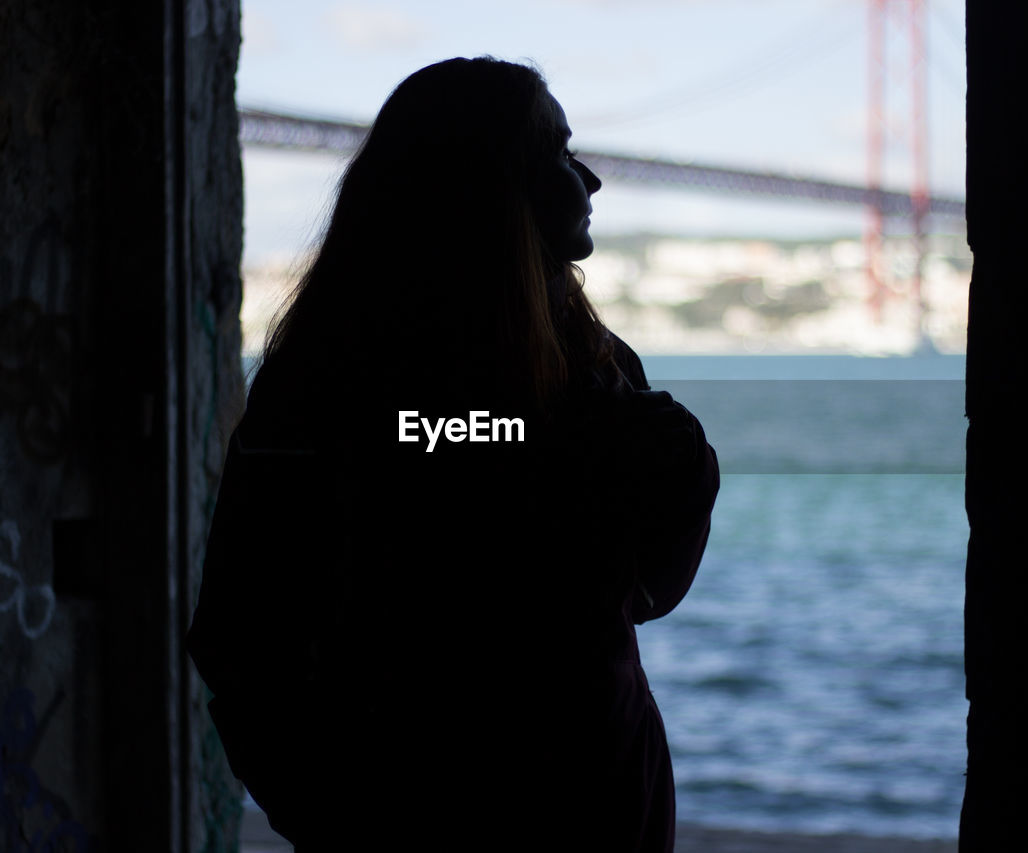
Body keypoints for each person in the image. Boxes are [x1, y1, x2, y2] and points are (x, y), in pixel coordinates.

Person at [186, 56, 719, 852]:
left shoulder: (320, 380)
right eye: (560, 152)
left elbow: (244, 641)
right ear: (491, 185)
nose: (590, 180)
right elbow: (643, 586)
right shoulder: (593, 377)